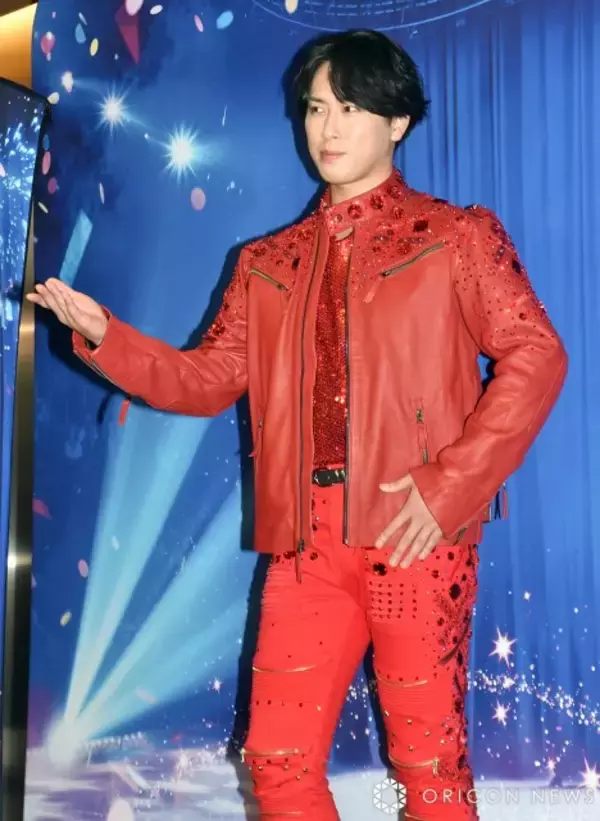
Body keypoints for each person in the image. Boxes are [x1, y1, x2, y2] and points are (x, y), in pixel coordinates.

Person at [28, 28, 567, 821]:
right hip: (306, 544)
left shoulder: (456, 237)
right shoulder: (267, 262)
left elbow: (537, 355)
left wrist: (450, 487)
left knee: (429, 768)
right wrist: (106, 335)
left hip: (415, 534)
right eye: (316, 108)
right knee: (275, 762)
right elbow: (204, 380)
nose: (328, 128)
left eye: (350, 107)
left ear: (398, 121)